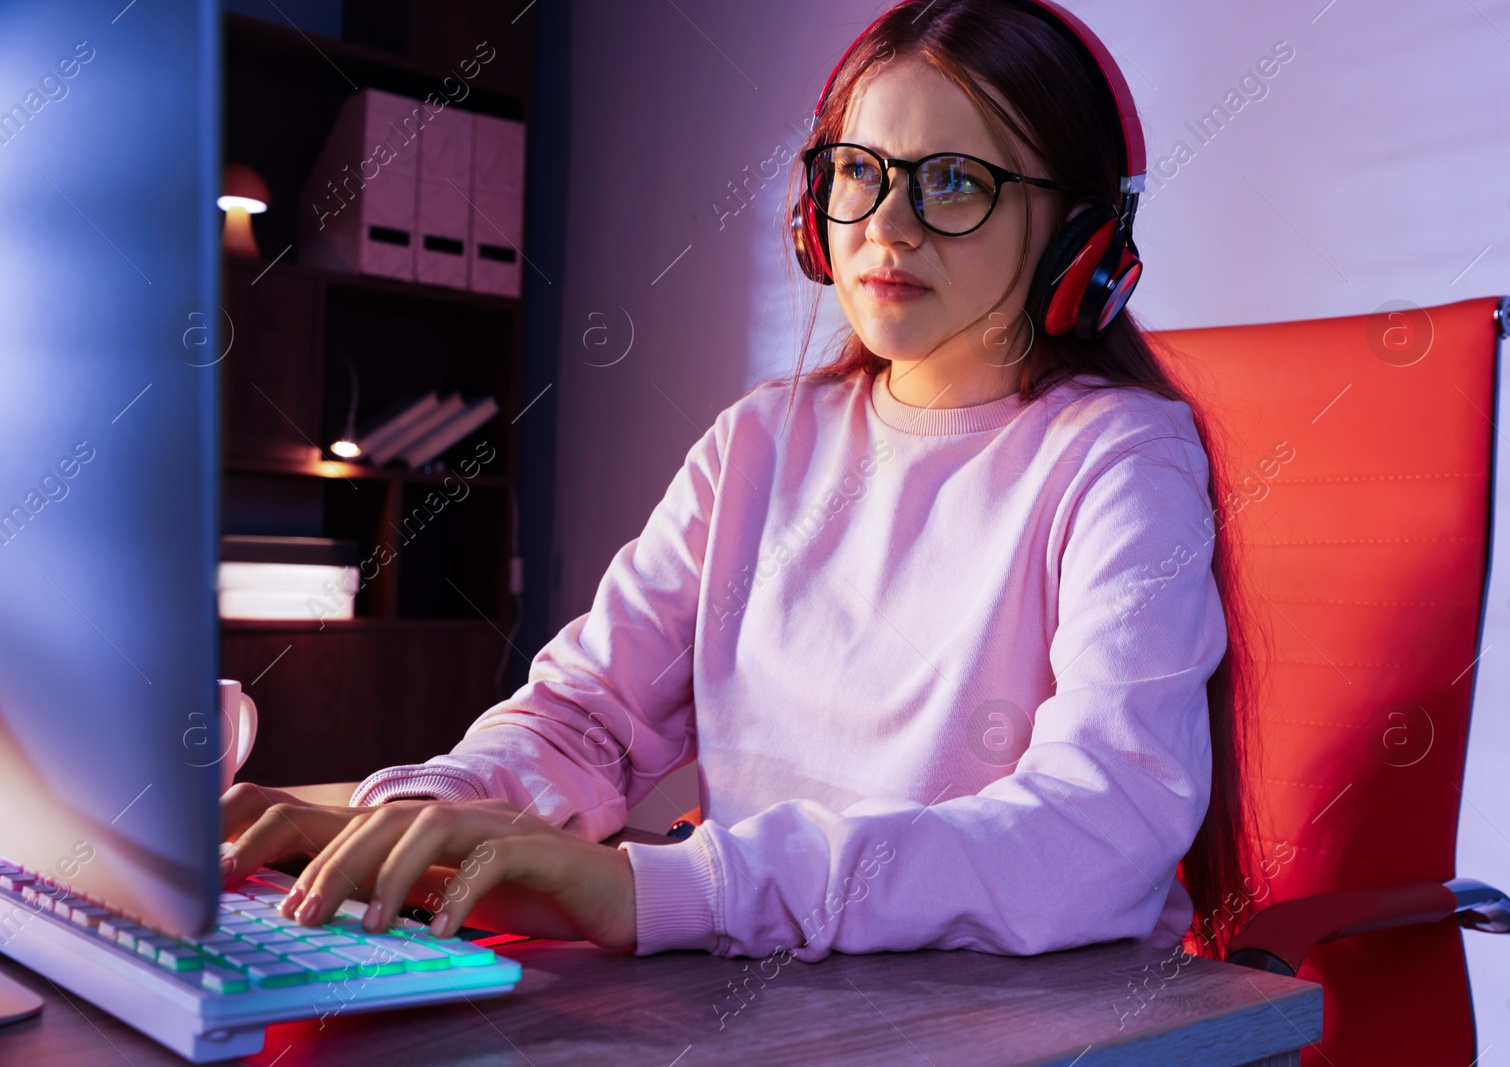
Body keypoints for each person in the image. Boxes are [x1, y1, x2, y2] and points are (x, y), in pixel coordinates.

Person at [221, 0, 1258, 964]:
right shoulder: (758, 438)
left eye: (953, 181)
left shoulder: (1122, 457)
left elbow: (1095, 828)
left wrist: (669, 888)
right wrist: (420, 809)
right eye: (861, 170)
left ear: (1082, 235)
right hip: (770, 986)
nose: (886, 226)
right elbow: (588, 713)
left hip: (1019, 1014)